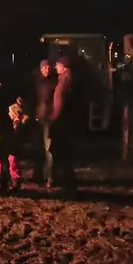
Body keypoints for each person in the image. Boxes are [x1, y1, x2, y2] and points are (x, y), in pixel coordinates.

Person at [47, 55, 80, 191]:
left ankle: (68, 184)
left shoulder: (65, 82)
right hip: (67, 123)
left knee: (61, 154)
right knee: (63, 154)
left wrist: (53, 122)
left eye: (58, 65)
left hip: (63, 125)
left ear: (64, 66)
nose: (55, 67)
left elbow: (60, 106)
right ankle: (68, 182)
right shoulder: (68, 80)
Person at [33, 58, 58, 184]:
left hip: (49, 120)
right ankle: (37, 175)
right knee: (37, 148)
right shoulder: (36, 82)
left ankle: (50, 177)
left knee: (49, 149)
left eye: (49, 67)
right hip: (38, 119)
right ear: (41, 68)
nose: (47, 69)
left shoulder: (54, 82)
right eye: (45, 67)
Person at [6, 95, 30, 189]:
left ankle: (14, 181)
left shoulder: (16, 124)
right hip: (14, 141)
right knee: (12, 161)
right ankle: (13, 181)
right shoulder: (14, 112)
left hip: (15, 142)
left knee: (13, 161)